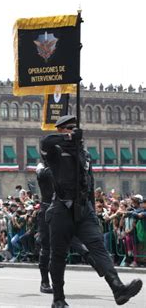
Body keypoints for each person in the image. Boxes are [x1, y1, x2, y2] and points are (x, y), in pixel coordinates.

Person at [40, 115, 142, 307]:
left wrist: (93, 212)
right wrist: (69, 138)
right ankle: (58, 298)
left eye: (76, 129)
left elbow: (90, 183)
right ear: (61, 130)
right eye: (69, 128)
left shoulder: (84, 154)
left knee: (98, 248)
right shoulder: (55, 150)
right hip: (62, 208)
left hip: (84, 209)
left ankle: (117, 288)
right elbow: (45, 142)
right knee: (58, 255)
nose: (75, 132)